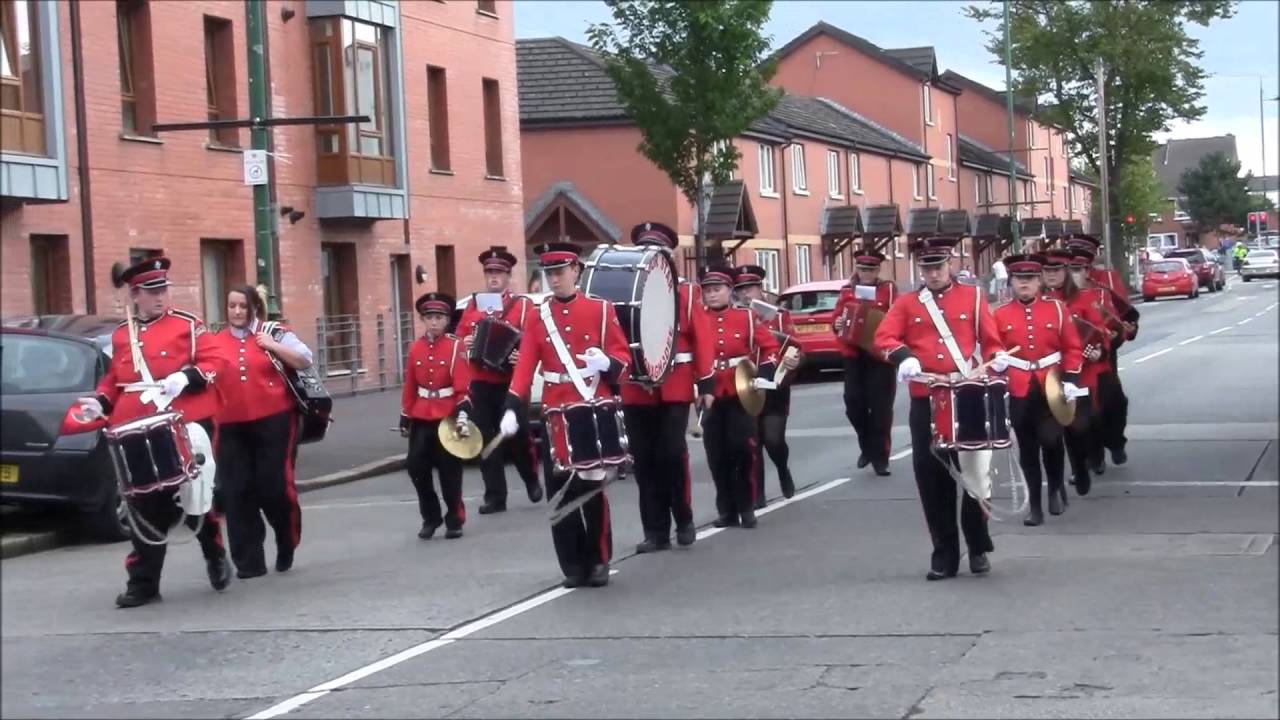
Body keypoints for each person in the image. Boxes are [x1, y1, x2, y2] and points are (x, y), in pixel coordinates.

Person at [76, 257, 231, 608]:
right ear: (135, 295)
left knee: (193, 494)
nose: (160, 297)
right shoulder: (122, 334)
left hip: (182, 419)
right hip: (136, 426)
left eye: (163, 290)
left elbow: (215, 363)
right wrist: (100, 402)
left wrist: (185, 377)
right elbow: (115, 379)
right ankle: (144, 583)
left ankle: (215, 553)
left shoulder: (187, 325)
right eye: (152, 291)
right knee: (145, 503)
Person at [873, 237, 1007, 581]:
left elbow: (991, 341)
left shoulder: (973, 297)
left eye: (938, 266)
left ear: (950, 265)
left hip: (968, 393)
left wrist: (997, 359)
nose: (933, 274)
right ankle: (944, 554)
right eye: (927, 268)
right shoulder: (907, 304)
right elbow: (884, 338)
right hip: (929, 397)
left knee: (976, 476)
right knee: (933, 479)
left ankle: (977, 546)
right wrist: (904, 357)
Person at [503, 242, 631, 588]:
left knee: (590, 487)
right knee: (559, 491)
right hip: (556, 411)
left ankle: (599, 559)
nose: (555, 279)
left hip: (591, 405)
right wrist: (512, 405)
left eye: (560, 272)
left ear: (576, 270)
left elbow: (623, 359)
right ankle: (573, 565)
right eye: (550, 273)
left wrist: (606, 363)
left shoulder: (600, 310)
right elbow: (525, 365)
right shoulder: (538, 316)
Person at [211, 285, 313, 578]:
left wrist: (273, 346)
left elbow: (305, 359)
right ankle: (249, 562)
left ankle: (286, 539)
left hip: (275, 420)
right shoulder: (215, 341)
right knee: (236, 490)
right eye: (232, 306)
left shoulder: (274, 332)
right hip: (230, 425)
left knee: (274, 487)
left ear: (254, 307)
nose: (237, 312)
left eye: (243, 306)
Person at [620, 222, 709, 553]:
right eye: (645, 250)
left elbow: (702, 339)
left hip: (675, 383)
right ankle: (655, 530)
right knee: (644, 460)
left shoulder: (686, 294)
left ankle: (683, 517)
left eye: (656, 251)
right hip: (636, 387)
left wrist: (706, 382)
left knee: (671, 453)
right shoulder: (627, 293)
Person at [992, 254, 1085, 526]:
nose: (1024, 284)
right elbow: (991, 346)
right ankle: (1034, 505)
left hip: (1051, 384)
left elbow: (1072, 346)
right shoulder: (1000, 314)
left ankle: (1055, 488)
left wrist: (1071, 378)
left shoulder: (1056, 309)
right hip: (1019, 387)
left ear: (1039, 281)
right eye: (1019, 279)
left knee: (1052, 441)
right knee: (1028, 449)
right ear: (1011, 281)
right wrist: (996, 359)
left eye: (1030, 278)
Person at [456, 249, 542, 514]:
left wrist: (520, 355)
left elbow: (534, 340)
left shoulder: (522, 306)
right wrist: (466, 343)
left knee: (518, 435)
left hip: (511, 382)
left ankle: (531, 479)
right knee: (484, 437)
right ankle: (495, 496)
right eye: (489, 273)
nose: (493, 277)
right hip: (480, 381)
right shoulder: (474, 304)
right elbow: (459, 339)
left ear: (508, 276)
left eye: (499, 273)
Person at [695, 264, 780, 529]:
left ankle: (747, 506)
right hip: (709, 393)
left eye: (717, 289)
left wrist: (764, 373)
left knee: (742, 449)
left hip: (740, 391)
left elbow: (770, 348)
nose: (712, 295)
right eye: (707, 290)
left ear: (729, 290)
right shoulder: (696, 319)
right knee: (716, 454)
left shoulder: (746, 317)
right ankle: (727, 510)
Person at [400, 292, 473, 540]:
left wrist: (463, 410)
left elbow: (462, 384)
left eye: (439, 317)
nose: (434, 322)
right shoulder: (416, 347)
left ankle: (455, 518)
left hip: (447, 414)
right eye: (429, 317)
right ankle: (430, 517)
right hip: (421, 414)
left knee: (449, 470)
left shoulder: (456, 347)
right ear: (422, 319)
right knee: (416, 467)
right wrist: (405, 414)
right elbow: (410, 384)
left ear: (447, 320)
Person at [1042, 248, 1109, 496]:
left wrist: (1098, 350)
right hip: (1048, 373)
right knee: (1053, 430)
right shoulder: (1037, 300)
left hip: (1081, 371)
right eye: (1046, 270)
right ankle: (1063, 478)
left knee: (1078, 426)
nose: (1051, 275)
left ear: (1066, 271)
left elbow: (1100, 331)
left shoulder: (1083, 298)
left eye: (1056, 270)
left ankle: (1081, 466)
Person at [735, 264, 802, 507]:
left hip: (775, 385)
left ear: (760, 289)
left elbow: (795, 347)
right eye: (740, 289)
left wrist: (794, 360)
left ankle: (783, 468)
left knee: (773, 440)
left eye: (750, 288)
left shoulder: (779, 316)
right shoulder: (735, 316)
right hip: (746, 384)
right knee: (752, 443)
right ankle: (757, 494)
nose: (745, 293)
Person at [831, 249, 899, 476]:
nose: (866, 274)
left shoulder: (888, 290)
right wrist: (838, 324)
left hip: (879, 357)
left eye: (871, 270)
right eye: (862, 270)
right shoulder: (847, 291)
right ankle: (867, 445)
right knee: (853, 404)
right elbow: (837, 318)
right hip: (854, 355)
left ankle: (881, 457)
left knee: (881, 410)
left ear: (878, 270)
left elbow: (897, 316)